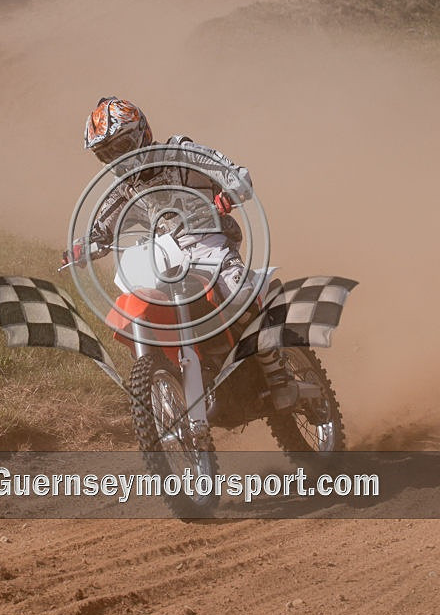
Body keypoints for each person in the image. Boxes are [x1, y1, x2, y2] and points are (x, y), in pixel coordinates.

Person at [70, 96, 298, 413]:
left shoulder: (181, 153)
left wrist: (229, 193)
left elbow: (236, 173)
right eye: (105, 153)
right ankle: (181, 377)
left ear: (140, 133)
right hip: (166, 256)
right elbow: (102, 226)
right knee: (146, 302)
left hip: (208, 240)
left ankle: (278, 371)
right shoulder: (125, 187)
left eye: (119, 146)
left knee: (238, 293)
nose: (115, 158)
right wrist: (81, 246)